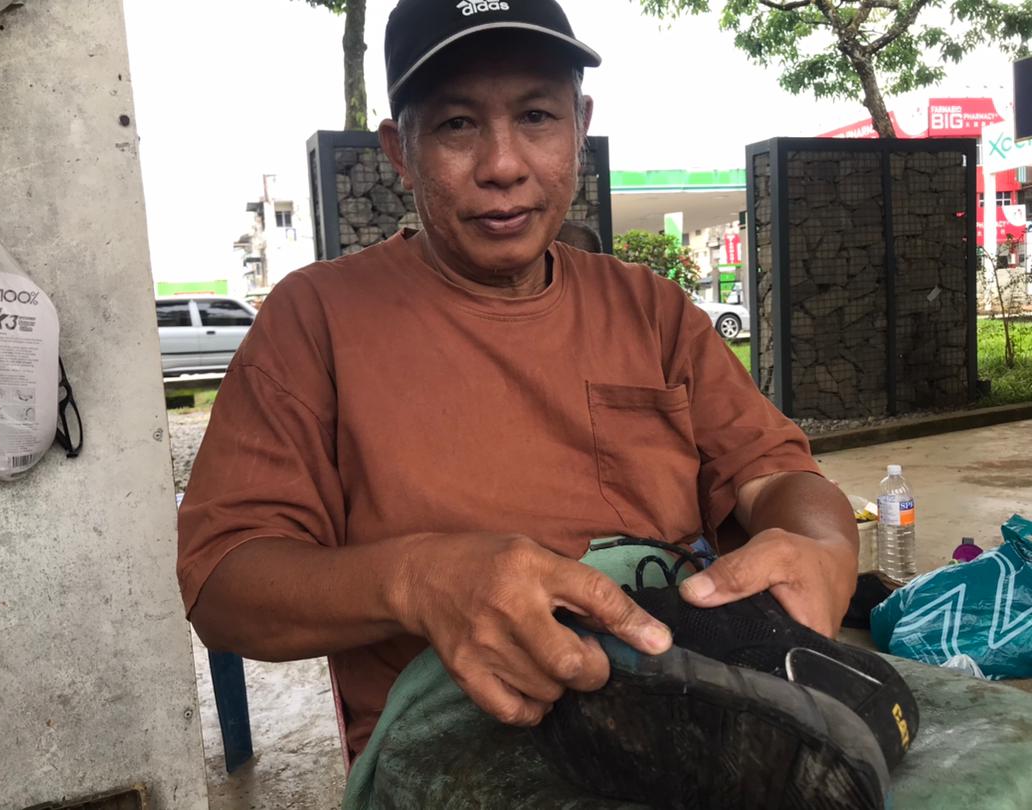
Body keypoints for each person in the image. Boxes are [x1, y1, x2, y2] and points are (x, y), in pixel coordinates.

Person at [177, 0, 859, 761]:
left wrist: (824, 543)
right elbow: (223, 583)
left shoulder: (651, 311)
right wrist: (417, 580)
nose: (502, 165)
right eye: (456, 125)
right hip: (450, 765)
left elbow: (773, 474)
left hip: (680, 724)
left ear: (579, 127)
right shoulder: (316, 320)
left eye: (536, 116)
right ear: (401, 151)